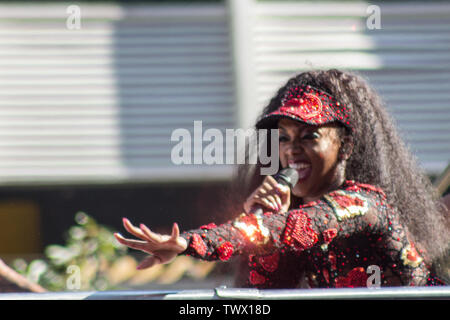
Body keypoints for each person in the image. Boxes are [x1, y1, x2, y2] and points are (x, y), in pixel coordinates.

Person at [114, 69, 449, 288]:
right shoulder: (290, 221)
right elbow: (264, 293)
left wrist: (190, 244)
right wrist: (265, 222)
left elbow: (304, 227)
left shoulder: (366, 204)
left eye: (308, 137)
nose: (292, 150)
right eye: (285, 138)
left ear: (345, 146)